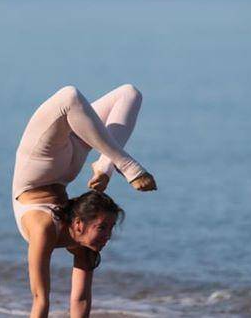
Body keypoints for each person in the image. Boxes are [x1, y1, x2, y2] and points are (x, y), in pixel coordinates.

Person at [12, 84, 157, 318]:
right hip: (53, 165)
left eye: (108, 229)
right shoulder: (50, 228)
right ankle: (118, 165)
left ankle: (107, 164)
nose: (108, 237)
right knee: (79, 96)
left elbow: (79, 299)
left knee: (121, 95)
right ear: (79, 224)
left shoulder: (63, 233)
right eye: (103, 228)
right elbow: (40, 299)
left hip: (43, 164)